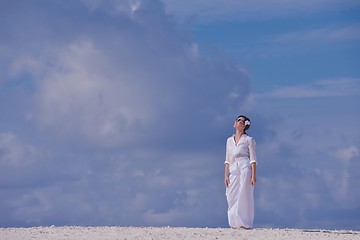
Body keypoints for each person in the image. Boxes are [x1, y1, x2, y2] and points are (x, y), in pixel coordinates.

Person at [224, 115, 257, 229]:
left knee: (244, 194)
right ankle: (233, 223)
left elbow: (253, 159)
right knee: (231, 195)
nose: (239, 122)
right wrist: (225, 176)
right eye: (238, 120)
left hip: (245, 168)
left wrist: (253, 176)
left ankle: (244, 223)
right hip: (233, 170)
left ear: (245, 125)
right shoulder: (229, 141)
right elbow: (227, 160)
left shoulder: (249, 140)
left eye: (242, 121)